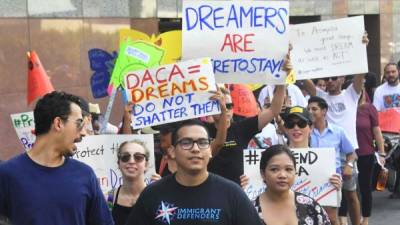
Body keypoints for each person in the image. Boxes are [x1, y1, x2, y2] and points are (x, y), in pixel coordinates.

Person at [0, 91, 113, 225]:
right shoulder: (7, 174)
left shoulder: (85, 174)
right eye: (79, 123)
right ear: (58, 123)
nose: (83, 132)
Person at [125, 119, 263, 225]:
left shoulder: (233, 194)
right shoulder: (152, 194)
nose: (195, 149)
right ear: (172, 151)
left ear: (210, 150)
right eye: (186, 142)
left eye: (202, 142)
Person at [307, 97, 357, 225]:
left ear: (324, 111)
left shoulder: (338, 132)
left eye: (314, 109)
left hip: (333, 180)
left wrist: (349, 165)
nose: (310, 111)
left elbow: (352, 153)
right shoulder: (305, 132)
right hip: (310, 180)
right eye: (308, 109)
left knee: (332, 218)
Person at [255, 145, 331, 225]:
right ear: (263, 173)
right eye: (274, 169)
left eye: (288, 169)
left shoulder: (311, 207)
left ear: (295, 172)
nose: (282, 175)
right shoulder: (250, 209)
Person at [107, 140, 160, 225]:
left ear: (146, 165)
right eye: (125, 157)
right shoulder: (108, 199)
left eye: (138, 157)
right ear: (118, 164)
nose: (131, 161)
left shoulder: (157, 197)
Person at [356, 90, 385, 225]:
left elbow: (376, 130)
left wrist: (382, 152)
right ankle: (344, 218)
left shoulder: (369, 108)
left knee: (365, 187)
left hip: (365, 154)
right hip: (347, 154)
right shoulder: (345, 108)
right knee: (347, 189)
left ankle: (365, 218)